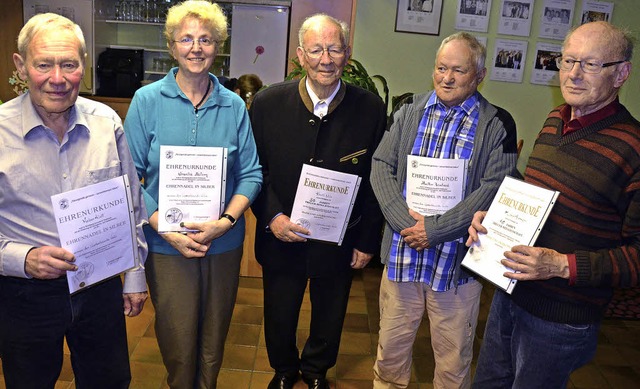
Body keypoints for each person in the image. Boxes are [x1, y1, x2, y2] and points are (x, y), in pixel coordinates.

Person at [468, 21, 638, 388]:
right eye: (568, 60)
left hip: (561, 318)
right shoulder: (552, 122)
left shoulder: (633, 149)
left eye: (591, 64)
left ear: (621, 73)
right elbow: (538, 202)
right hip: (510, 294)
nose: (574, 74)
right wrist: (492, 219)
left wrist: (561, 265)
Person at [0, 13, 148, 388]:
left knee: (110, 380)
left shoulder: (106, 123)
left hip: (99, 287)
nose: (57, 78)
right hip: (23, 293)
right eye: (43, 64)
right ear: (20, 65)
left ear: (84, 64)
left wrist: (134, 273)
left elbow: (131, 204)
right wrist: (23, 257)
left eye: (69, 64)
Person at [124, 1, 262, 388]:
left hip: (224, 242)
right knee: (178, 342)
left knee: (214, 341)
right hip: (166, 244)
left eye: (206, 39)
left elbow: (251, 174)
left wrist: (225, 222)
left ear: (218, 46)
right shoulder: (146, 101)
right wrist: (160, 226)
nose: (196, 48)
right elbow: (129, 175)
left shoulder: (234, 105)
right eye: (186, 39)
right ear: (172, 46)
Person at [371, 31, 518, 389]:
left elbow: (493, 187)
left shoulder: (498, 123)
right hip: (404, 256)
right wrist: (409, 225)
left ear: (479, 75)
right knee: (389, 356)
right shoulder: (408, 111)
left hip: (455, 267)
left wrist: (434, 230)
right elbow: (380, 166)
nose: (447, 78)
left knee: (453, 365)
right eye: (440, 68)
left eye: (458, 70)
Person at [249, 13, 386, 389]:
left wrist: (366, 240)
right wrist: (272, 215)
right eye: (316, 49)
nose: (326, 58)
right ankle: (283, 369)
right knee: (279, 310)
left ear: (347, 53)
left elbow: (377, 178)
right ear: (300, 55)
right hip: (281, 232)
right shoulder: (267, 103)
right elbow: (254, 168)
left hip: (340, 238)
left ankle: (315, 371)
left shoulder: (370, 108)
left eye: (335, 49)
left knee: (330, 311)